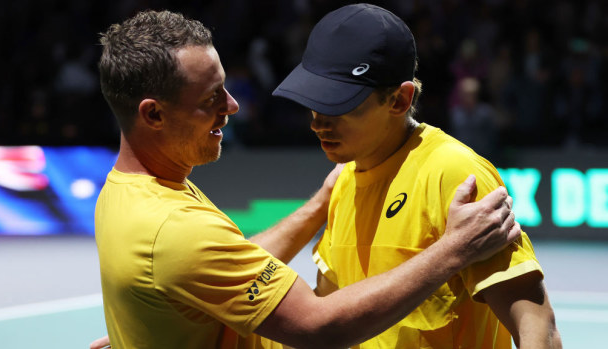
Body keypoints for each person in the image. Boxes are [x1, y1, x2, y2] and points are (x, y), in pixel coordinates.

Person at [92, 9, 521, 349]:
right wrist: (454, 250)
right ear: (153, 114)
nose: (233, 105)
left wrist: (161, 321)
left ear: (400, 99)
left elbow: (221, 264)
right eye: (210, 99)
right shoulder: (172, 230)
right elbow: (319, 328)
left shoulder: (128, 193)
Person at [272, 4, 561, 349]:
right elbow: (329, 320)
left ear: (399, 99)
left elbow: (536, 323)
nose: (318, 122)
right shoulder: (344, 182)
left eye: (339, 104)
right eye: (314, 101)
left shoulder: (454, 174)